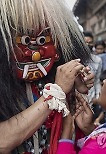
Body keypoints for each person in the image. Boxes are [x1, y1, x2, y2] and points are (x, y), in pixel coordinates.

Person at [0, 0, 94, 153]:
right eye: (24, 41)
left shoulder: (51, 80)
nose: (35, 55)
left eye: (42, 40)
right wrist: (56, 92)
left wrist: (74, 91)